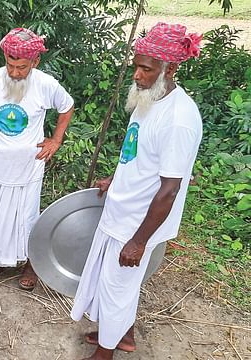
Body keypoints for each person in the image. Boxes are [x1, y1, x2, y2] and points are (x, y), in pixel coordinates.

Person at [70, 23, 203, 360]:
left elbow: (170, 190)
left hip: (138, 220)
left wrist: (139, 241)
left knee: (117, 287)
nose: (138, 76)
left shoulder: (178, 118)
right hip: (123, 208)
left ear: (170, 68)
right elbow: (136, 154)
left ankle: (105, 353)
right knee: (116, 283)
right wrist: (116, 179)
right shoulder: (151, 99)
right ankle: (123, 335)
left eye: (146, 69)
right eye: (136, 67)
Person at [0, 28, 74, 290]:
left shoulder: (46, 84)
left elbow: (67, 107)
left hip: (30, 165)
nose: (15, 72)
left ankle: (31, 263)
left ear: (35, 62)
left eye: (22, 67)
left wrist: (56, 140)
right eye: (10, 65)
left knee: (27, 215)